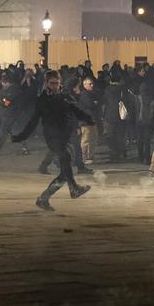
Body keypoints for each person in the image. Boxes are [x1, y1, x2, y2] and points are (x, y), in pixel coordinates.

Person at [13, 70, 93, 211]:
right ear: (47, 83)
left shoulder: (64, 95)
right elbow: (34, 121)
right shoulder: (43, 99)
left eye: (57, 83)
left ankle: (44, 198)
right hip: (52, 137)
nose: (55, 86)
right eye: (52, 83)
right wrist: (22, 136)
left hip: (64, 136)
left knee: (64, 173)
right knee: (66, 158)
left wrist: (87, 119)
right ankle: (74, 188)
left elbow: (75, 110)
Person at [0, 75, 29, 156]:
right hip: (11, 113)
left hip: (10, 114)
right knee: (17, 131)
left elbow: (7, 102)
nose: (2, 84)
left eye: (3, 83)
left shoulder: (13, 90)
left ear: (7, 82)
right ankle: (25, 149)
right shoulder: (8, 89)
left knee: (3, 132)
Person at [76, 76, 100, 166]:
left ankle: (90, 156)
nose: (92, 85)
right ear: (84, 84)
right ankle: (84, 157)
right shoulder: (85, 94)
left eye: (92, 83)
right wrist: (94, 103)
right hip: (86, 121)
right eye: (90, 84)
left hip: (91, 120)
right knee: (86, 140)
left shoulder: (90, 94)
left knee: (93, 138)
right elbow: (91, 105)